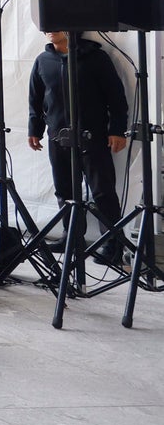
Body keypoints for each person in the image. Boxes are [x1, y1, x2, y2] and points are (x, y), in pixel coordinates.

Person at [27, 31, 130, 270]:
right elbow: (36, 98)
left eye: (55, 25)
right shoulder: (43, 61)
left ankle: (112, 242)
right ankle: (72, 236)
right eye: (46, 26)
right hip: (58, 136)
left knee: (102, 190)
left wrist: (117, 129)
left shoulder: (96, 58)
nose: (48, 30)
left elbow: (116, 97)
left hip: (92, 136)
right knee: (64, 189)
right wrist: (35, 129)